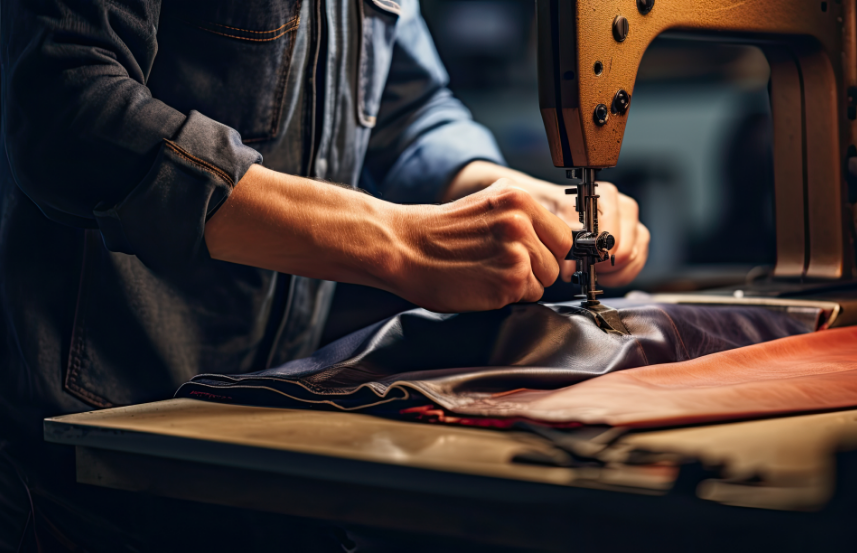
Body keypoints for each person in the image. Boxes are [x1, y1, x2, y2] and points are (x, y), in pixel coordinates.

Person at [0, 0, 650, 549]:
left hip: (262, 431)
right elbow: (70, 112)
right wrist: (397, 241)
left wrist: (506, 193)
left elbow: (409, 111)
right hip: (70, 462)